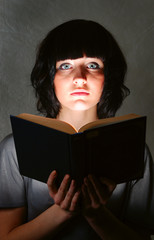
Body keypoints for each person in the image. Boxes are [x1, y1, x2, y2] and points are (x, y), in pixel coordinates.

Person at [0, 19, 153, 240]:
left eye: (92, 65)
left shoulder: (135, 150)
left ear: (108, 76)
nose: (80, 79)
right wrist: (62, 212)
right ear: (50, 77)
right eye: (65, 66)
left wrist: (98, 216)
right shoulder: (14, 148)